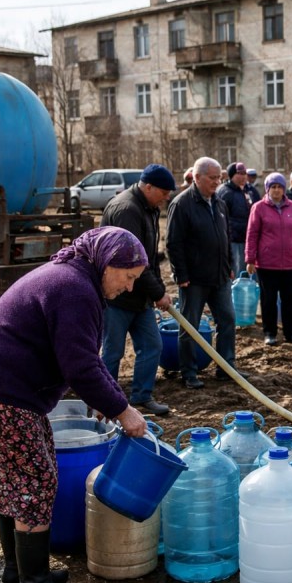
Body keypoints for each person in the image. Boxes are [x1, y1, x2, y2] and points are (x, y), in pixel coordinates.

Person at [0, 226, 150, 583]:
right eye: (127, 277)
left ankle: (17, 573)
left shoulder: (75, 276)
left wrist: (110, 400)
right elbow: (79, 366)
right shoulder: (75, 290)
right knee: (34, 482)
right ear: (107, 263)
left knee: (15, 479)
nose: (129, 288)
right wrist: (122, 411)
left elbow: (85, 361)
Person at [100, 164, 177, 417]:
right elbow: (131, 260)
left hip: (139, 295)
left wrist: (156, 289)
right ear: (148, 187)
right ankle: (105, 401)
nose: (167, 197)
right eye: (164, 192)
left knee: (152, 345)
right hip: (118, 295)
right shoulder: (127, 210)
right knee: (113, 351)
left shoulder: (148, 207)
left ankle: (142, 396)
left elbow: (149, 258)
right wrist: (158, 293)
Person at [165, 157, 246, 389]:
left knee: (228, 320)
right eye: (212, 178)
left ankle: (226, 368)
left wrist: (229, 265)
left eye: (219, 177)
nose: (216, 182)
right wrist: (181, 275)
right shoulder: (181, 204)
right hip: (194, 280)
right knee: (190, 326)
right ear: (197, 177)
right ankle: (189, 372)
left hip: (220, 276)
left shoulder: (219, 203)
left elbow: (226, 236)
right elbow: (173, 243)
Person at [245, 173, 292, 346]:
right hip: (267, 263)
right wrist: (250, 259)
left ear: (284, 189)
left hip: (290, 262)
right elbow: (252, 235)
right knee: (269, 300)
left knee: (289, 299)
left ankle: (291, 333)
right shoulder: (258, 208)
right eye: (273, 187)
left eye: (279, 187)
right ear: (267, 189)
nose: (276, 190)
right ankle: (270, 333)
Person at [215, 161, 252, 277]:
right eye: (239, 174)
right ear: (232, 176)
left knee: (245, 271)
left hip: (246, 238)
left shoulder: (247, 191)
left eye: (244, 173)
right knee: (235, 272)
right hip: (233, 240)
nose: (242, 177)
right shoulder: (225, 192)